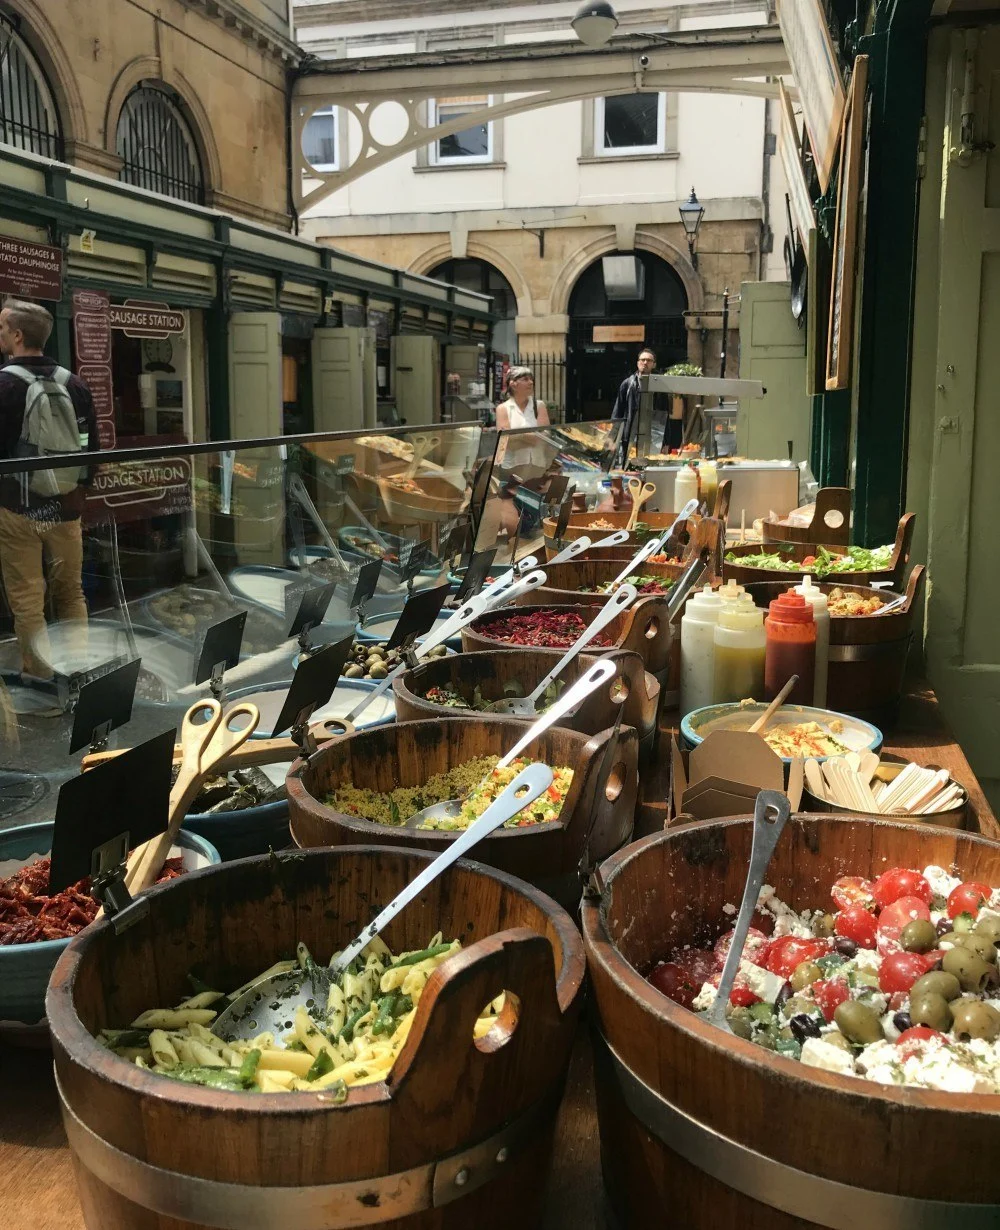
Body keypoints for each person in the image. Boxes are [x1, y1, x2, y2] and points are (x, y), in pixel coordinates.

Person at [0, 299, 99, 684]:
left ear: (18, 335)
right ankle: (77, 678)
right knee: (71, 592)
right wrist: (79, 492)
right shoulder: (74, 383)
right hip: (66, 508)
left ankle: (41, 686)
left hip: (16, 510)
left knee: (27, 599)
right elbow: (91, 445)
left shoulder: (4, 384)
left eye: (3, 329)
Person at [611, 348, 674, 463]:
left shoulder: (661, 387)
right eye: (642, 360)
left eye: (649, 360)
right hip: (630, 434)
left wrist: (666, 442)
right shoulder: (627, 384)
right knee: (630, 466)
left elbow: (666, 414)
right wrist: (612, 438)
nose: (645, 363)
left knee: (651, 465)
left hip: (655, 434)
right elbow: (618, 411)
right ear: (637, 363)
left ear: (654, 364)